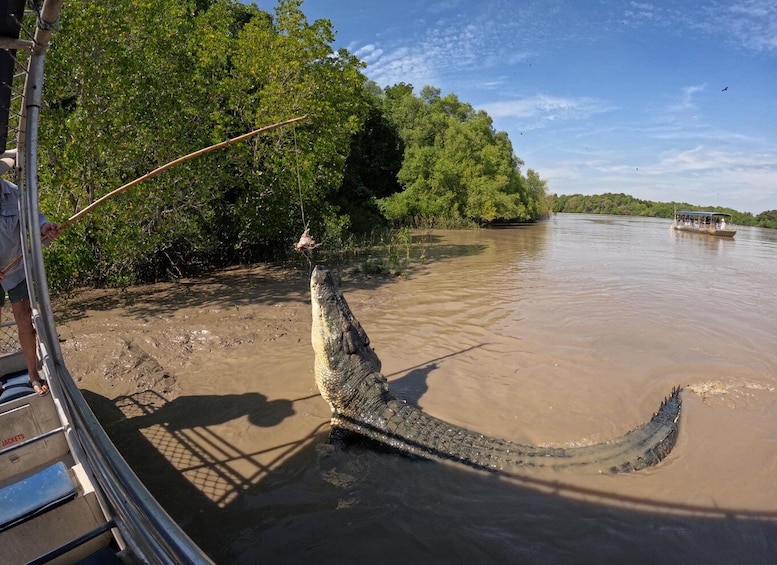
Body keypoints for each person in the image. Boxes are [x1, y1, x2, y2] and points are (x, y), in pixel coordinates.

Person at [0, 177, 62, 396]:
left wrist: (44, 227)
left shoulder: (13, 191)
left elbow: (33, 217)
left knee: (25, 319)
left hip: (15, 268)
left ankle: (33, 375)